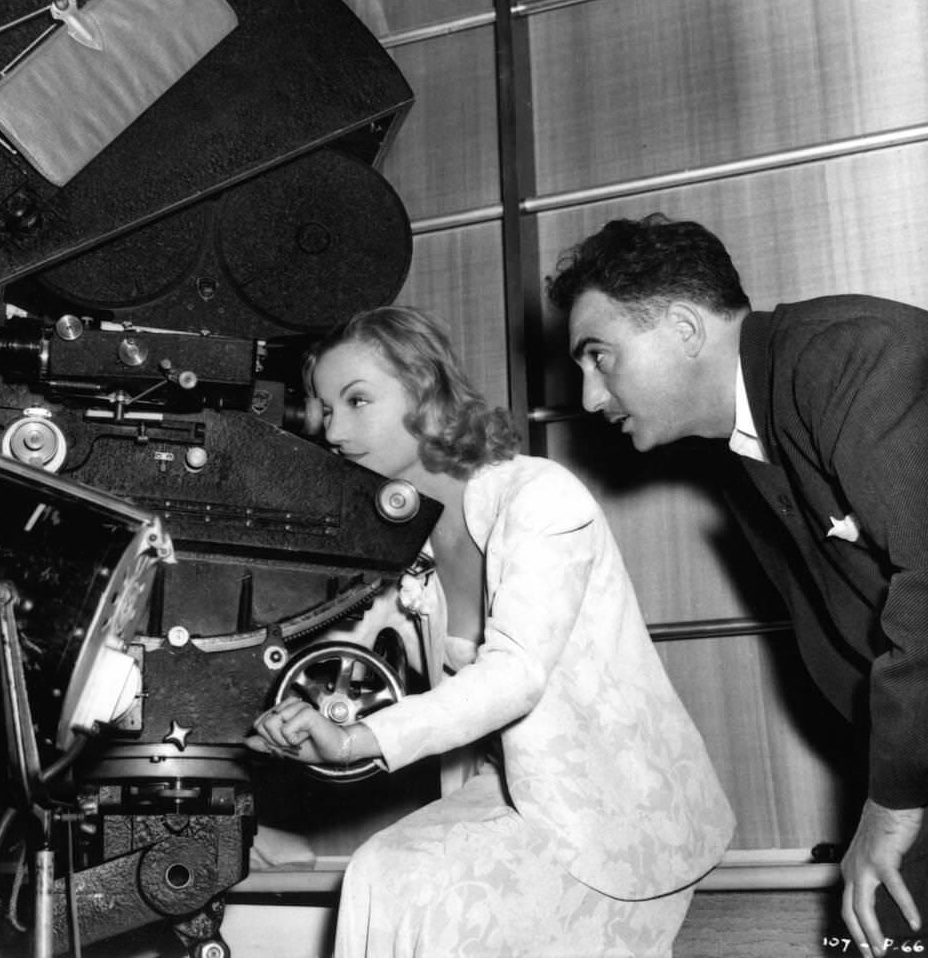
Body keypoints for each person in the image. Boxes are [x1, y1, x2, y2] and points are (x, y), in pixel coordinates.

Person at [246, 306, 734, 957]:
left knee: (408, 889)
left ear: (427, 393)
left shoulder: (540, 497)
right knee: (380, 878)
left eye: (357, 400)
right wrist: (303, 718)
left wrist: (359, 739)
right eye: (324, 407)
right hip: (507, 804)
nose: (333, 429)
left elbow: (515, 676)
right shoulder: (411, 546)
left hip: (617, 822)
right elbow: (353, 667)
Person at [548, 214, 928, 958]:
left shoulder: (852, 359)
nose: (591, 397)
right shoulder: (742, 447)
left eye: (601, 357)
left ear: (684, 328)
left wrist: (889, 810)